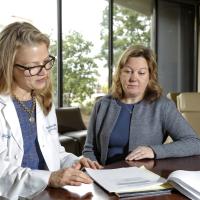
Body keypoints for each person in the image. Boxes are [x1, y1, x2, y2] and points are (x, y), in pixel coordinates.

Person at [0, 22, 101, 200]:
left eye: (46, 62)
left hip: (46, 194)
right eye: (33, 66)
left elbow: (53, 151)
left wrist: (75, 162)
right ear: (8, 66)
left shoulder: (42, 100)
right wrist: (50, 178)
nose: (44, 72)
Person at [83, 45, 200, 165]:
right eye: (128, 71)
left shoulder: (163, 106)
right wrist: (94, 167)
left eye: (141, 73)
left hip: (145, 179)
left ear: (150, 76)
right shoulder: (102, 105)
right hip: (104, 177)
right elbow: (89, 149)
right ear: (119, 74)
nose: (134, 78)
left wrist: (154, 150)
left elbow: (194, 143)